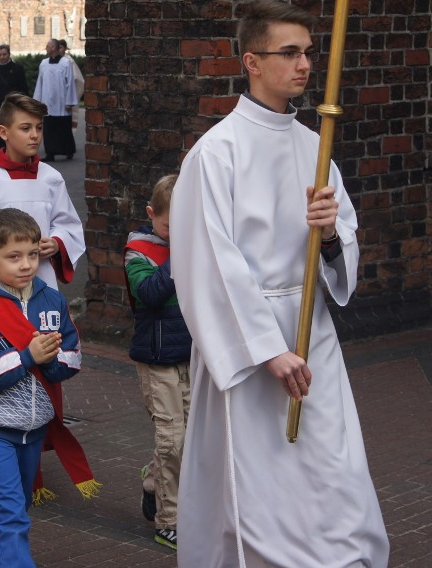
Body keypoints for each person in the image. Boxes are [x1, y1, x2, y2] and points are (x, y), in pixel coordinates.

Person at [170, 1, 389, 566]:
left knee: (334, 471)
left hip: (310, 330)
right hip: (249, 345)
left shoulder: (315, 147)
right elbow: (208, 263)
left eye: (309, 53)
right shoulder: (216, 153)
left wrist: (332, 236)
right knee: (258, 487)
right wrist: (268, 351)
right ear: (252, 61)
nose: (305, 65)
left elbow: (341, 245)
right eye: (288, 53)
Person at [0, 208, 81, 568]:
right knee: (11, 514)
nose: (26, 265)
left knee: (17, 506)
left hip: (35, 428)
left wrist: (50, 360)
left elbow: (74, 355)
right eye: (14, 257)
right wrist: (26, 357)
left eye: (33, 255)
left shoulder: (51, 300)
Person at [0, 93, 85, 291]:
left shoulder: (51, 178)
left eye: (39, 128)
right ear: (4, 132)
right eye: (25, 128)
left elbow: (67, 224)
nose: (35, 135)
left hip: (41, 278)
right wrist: (5, 259)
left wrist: (57, 242)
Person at [124, 174, 191, 551]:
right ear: (152, 214)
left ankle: (153, 481)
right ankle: (169, 520)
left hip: (192, 357)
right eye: (169, 225)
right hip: (157, 360)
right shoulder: (139, 250)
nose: (177, 232)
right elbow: (148, 293)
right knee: (172, 439)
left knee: (190, 439)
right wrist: (178, 258)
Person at [33, 39, 77, 162]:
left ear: (54, 47)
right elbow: (40, 83)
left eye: (48, 45)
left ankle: (68, 151)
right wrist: (37, 101)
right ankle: (50, 153)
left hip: (62, 103)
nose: (46, 47)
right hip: (47, 102)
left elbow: (70, 83)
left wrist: (70, 102)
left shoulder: (66, 63)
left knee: (63, 128)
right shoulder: (44, 63)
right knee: (49, 129)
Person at [0, 44, 30, 150]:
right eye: (0, 55)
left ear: (9, 54)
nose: (2, 57)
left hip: (14, 105)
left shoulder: (18, 68)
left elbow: (23, 88)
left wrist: (25, 105)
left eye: (4, 54)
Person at [57, 39, 84, 129]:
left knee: (65, 128)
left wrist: (71, 100)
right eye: (57, 47)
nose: (58, 49)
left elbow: (77, 81)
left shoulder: (69, 61)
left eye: (60, 47)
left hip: (66, 98)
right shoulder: (54, 61)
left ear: (65, 48)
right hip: (56, 98)